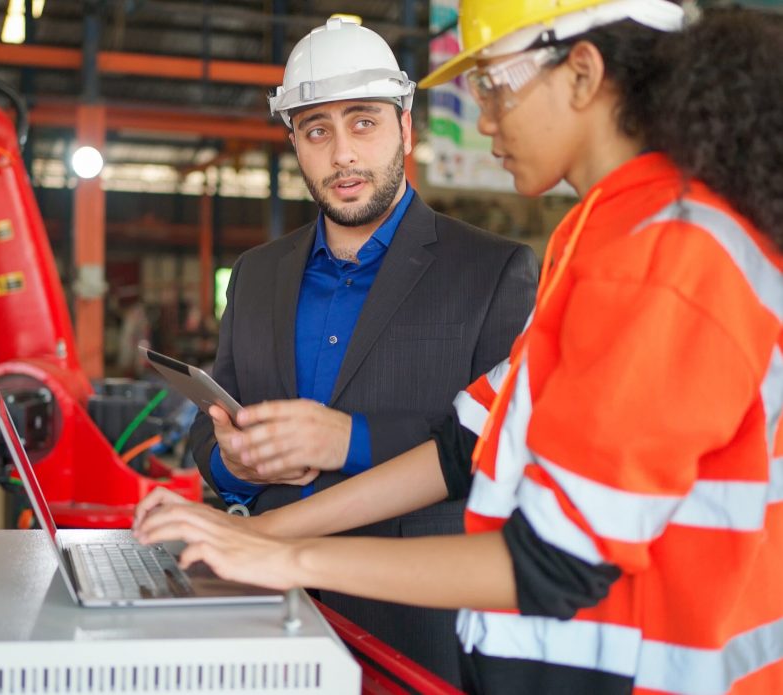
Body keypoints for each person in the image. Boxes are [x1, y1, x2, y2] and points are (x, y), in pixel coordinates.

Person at [135, 1, 783, 693]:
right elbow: (461, 445)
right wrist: (263, 534)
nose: (483, 120)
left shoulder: (664, 255)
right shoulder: (600, 236)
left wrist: (291, 561)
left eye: (495, 85)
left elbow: (551, 564)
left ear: (583, 74)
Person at [186, 16, 538, 684]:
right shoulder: (258, 274)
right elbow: (206, 432)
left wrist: (348, 438)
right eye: (317, 129)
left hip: (416, 626)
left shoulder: (492, 271)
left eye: (364, 122)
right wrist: (234, 463)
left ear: (406, 127)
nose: (342, 154)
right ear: (294, 141)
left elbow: (505, 447)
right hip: (269, 612)